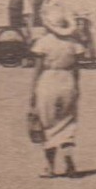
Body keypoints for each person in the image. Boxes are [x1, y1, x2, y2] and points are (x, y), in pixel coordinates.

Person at [29, 10, 85, 178]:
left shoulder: (43, 43)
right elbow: (77, 70)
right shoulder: (73, 44)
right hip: (67, 81)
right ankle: (69, 163)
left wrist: (32, 92)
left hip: (48, 81)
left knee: (48, 123)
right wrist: (76, 88)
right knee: (67, 122)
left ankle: (50, 167)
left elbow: (38, 70)